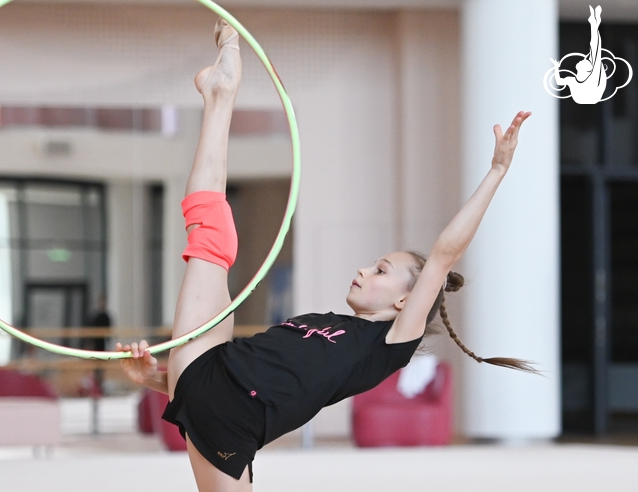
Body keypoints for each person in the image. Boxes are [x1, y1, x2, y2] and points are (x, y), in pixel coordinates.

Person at [116, 18, 533, 491]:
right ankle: (221, 93)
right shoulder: (329, 322)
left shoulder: (387, 346)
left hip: (232, 418)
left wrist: (497, 169)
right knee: (212, 229)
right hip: (207, 366)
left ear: (405, 302)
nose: (363, 269)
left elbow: (443, 253)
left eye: (381, 270)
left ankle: (221, 93)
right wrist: (165, 376)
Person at [551, 5, 606, 104]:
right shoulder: (572, 80)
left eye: (585, 61)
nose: (583, 59)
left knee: (595, 51)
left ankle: (594, 23)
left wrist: (594, 26)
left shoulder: (592, 78)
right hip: (584, 98)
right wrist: (556, 67)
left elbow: (595, 49)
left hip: (591, 96)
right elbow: (559, 81)